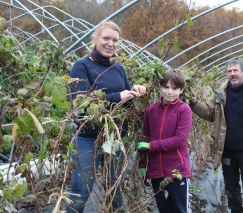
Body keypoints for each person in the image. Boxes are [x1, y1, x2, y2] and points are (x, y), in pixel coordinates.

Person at [66, 20, 146, 213]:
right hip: (87, 137)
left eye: (115, 40)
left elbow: (125, 101)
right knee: (81, 191)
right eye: (106, 38)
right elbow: (81, 103)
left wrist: (135, 91)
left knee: (115, 188)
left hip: (114, 138)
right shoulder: (81, 66)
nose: (111, 43)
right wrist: (117, 96)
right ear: (96, 39)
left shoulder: (119, 68)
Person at [190, 59, 243, 213]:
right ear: (226, 74)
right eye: (229, 71)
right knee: (231, 188)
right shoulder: (220, 94)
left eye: (235, 71)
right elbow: (209, 113)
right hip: (226, 150)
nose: (232, 74)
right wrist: (194, 103)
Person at [137, 69, 193, 213]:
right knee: (164, 210)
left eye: (174, 88)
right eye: (166, 87)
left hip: (177, 171)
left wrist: (151, 146)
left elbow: (180, 140)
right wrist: (143, 164)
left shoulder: (183, 110)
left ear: (181, 90)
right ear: (160, 87)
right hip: (156, 171)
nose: (170, 92)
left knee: (181, 210)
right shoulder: (151, 111)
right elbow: (145, 138)